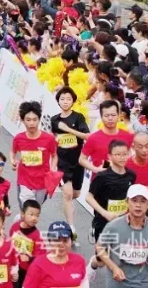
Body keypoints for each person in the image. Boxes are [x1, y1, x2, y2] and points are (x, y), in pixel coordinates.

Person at [94, 184, 148, 288]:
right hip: (118, 283)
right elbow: (99, 247)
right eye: (134, 200)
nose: (138, 205)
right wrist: (113, 268)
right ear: (127, 202)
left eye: (143, 201)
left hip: (144, 283)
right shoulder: (113, 226)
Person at [48, 86, 87, 232]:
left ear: (73, 101)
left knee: (75, 194)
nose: (65, 102)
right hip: (63, 164)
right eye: (62, 99)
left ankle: (68, 208)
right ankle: (71, 228)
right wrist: (53, 163)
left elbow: (86, 136)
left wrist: (68, 129)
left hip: (77, 161)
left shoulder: (78, 118)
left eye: (68, 99)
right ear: (58, 101)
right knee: (68, 195)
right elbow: (54, 142)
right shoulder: (54, 120)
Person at [21, 222, 85, 288]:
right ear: (49, 241)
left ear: (71, 241)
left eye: (65, 240)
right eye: (56, 240)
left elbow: (84, 283)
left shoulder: (79, 261)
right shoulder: (38, 265)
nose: (61, 245)